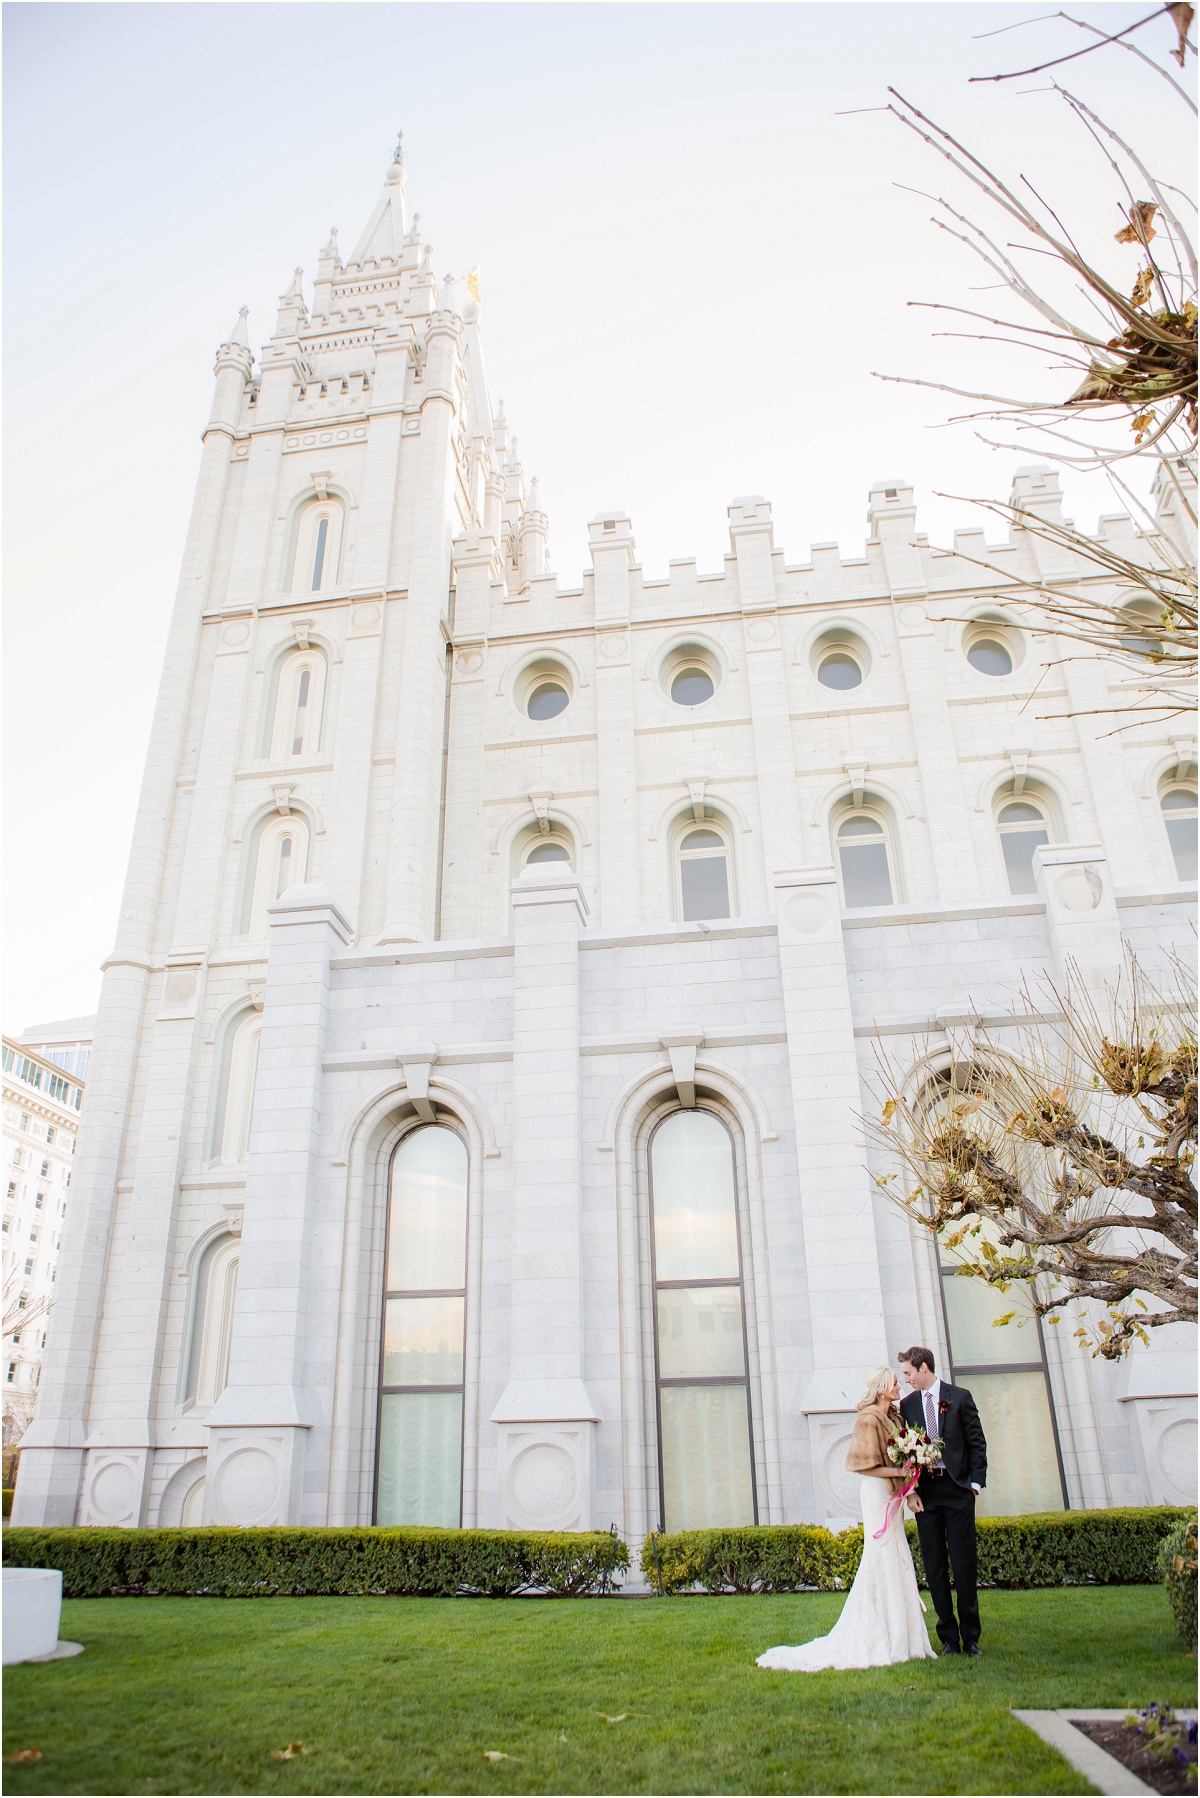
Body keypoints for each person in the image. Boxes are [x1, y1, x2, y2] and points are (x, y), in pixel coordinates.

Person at [757, 1367, 937, 1672]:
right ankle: (881, 1633)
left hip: (894, 1492)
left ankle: (903, 1636)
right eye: (894, 1383)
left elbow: (901, 1455)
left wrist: (909, 1482)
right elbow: (860, 1466)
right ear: (881, 1388)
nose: (899, 1387)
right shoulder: (869, 1419)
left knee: (896, 1555)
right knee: (882, 1554)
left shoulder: (894, 1416)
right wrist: (899, 1472)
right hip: (878, 1492)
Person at [898, 1345, 988, 1657]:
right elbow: (904, 1452)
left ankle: (971, 1636)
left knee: (964, 1565)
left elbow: (977, 1441)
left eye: (908, 1372)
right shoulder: (906, 1405)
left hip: (958, 1490)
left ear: (923, 1368)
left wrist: (974, 1483)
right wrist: (910, 1492)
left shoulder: (959, 1396)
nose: (906, 1379)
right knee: (935, 1566)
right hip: (926, 1496)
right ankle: (948, 1637)